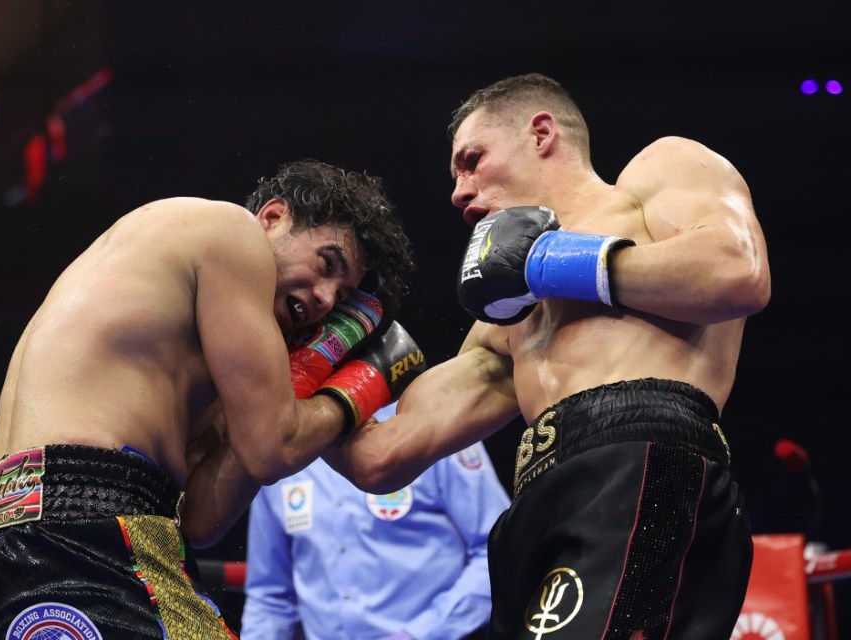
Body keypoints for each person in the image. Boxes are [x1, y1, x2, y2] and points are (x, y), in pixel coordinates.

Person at [327, 73, 771, 640]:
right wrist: (304, 370)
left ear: (541, 133)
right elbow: (382, 456)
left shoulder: (655, 176)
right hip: (536, 507)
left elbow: (737, 271)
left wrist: (551, 260)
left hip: (641, 469)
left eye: (472, 159)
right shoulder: (506, 318)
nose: (459, 191)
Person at [0, 159, 417, 640]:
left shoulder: (185, 341)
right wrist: (360, 384)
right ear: (273, 217)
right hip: (84, 527)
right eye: (325, 265)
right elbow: (275, 447)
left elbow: (201, 519)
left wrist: (295, 384)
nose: (327, 300)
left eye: (342, 294)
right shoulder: (230, 232)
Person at [240, 401, 510, 640]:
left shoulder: (431, 423)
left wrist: (420, 634)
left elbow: (497, 552)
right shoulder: (281, 460)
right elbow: (271, 597)